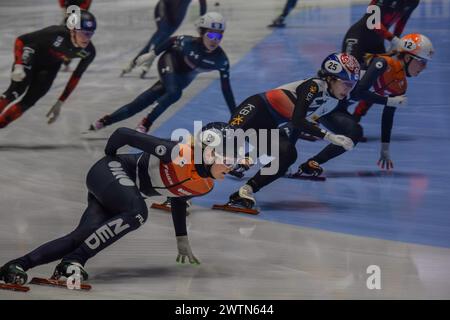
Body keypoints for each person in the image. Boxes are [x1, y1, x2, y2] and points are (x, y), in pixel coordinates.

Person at [0, 122, 236, 286]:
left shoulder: (205, 185)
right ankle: (75, 261)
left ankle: (18, 265)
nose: (231, 167)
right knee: (137, 212)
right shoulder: (177, 152)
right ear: (210, 154)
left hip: (118, 189)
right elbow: (123, 133)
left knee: (83, 234)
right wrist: (110, 156)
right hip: (111, 171)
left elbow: (178, 199)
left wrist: (181, 239)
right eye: (227, 160)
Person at [222, 53, 360, 210]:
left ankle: (245, 191)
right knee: (221, 147)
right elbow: (297, 120)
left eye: (352, 85)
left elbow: (297, 126)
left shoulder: (331, 103)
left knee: (288, 154)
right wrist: (330, 137)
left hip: (267, 126)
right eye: (346, 84)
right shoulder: (313, 86)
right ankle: (189, 180)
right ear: (331, 78)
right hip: (255, 109)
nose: (348, 90)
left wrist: (284, 159)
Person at [90, 12, 236, 134]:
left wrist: (235, 115)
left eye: (219, 37)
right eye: (211, 36)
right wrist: (152, 55)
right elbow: (172, 40)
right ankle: (146, 123)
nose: (215, 41)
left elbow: (226, 89)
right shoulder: (189, 43)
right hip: (169, 60)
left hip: (184, 76)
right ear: (201, 33)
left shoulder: (221, 60)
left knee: (142, 102)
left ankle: (105, 121)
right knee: (175, 93)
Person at [339, 33, 433, 170]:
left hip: (338, 105)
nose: (424, 67)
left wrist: (385, 149)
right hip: (325, 95)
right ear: (407, 58)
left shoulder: (401, 85)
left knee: (355, 133)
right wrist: (389, 101)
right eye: (422, 62)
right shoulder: (383, 63)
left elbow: (388, 116)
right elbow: (359, 92)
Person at [0, 10, 97, 128]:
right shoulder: (55, 33)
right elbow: (21, 40)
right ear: (72, 31)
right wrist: (19, 65)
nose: (87, 38)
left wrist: (60, 102)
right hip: (32, 56)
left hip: (50, 67)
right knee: (15, 92)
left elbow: (76, 76)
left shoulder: (88, 52)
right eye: (83, 33)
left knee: (29, 101)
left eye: (90, 33)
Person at [121, 0, 207, 78]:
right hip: (164, 7)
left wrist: (202, 19)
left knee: (160, 36)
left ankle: (134, 62)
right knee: (162, 32)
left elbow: (203, 3)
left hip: (176, 18)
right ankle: (146, 61)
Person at [342, 0, 420, 66]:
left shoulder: (414, 2)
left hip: (377, 43)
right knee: (348, 72)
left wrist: (396, 40)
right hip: (358, 37)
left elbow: (402, 21)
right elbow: (372, 21)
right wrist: (393, 39)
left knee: (381, 75)